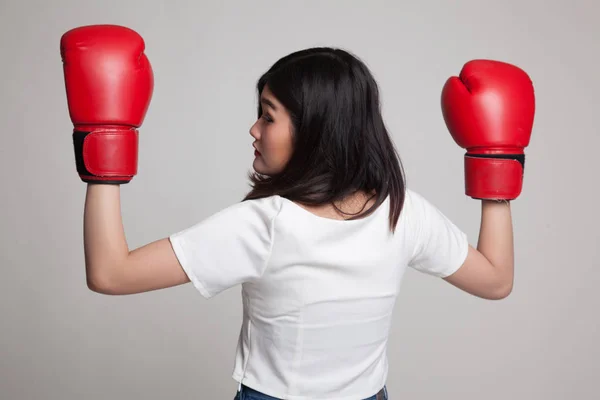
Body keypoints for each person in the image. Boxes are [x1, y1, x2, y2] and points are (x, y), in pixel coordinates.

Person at [60, 25, 534, 400]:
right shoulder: (401, 211)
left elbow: (110, 273)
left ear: (313, 130)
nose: (254, 128)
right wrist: (497, 165)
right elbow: (495, 280)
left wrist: (104, 145)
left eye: (268, 115)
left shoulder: (265, 224)